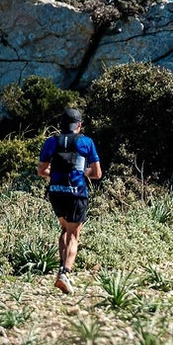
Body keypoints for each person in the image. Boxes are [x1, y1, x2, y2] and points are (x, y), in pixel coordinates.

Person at [37, 108, 101, 295]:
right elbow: (97, 173)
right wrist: (82, 172)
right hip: (76, 192)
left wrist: (57, 175)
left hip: (56, 192)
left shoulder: (51, 141)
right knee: (74, 234)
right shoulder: (86, 142)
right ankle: (65, 273)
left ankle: (61, 269)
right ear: (79, 125)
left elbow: (41, 170)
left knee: (64, 229)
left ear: (62, 125)